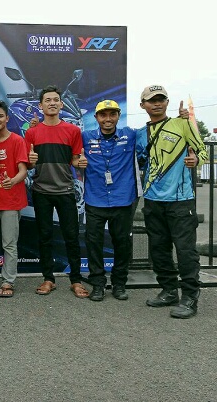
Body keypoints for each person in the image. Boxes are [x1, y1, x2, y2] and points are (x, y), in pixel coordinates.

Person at [136, 85, 208, 318]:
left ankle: (190, 297)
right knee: (159, 249)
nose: (157, 103)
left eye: (161, 99)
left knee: (185, 251)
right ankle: (168, 291)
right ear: (143, 105)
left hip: (181, 201)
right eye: (151, 100)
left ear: (167, 102)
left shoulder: (182, 124)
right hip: (152, 200)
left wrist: (196, 160)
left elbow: (203, 152)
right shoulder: (140, 134)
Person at [25, 85, 89, 299]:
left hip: (65, 190)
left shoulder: (73, 131)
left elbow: (75, 161)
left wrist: (81, 162)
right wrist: (30, 162)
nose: (52, 103)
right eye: (48, 100)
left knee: (71, 237)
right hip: (41, 191)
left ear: (61, 104)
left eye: (55, 100)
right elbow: (28, 165)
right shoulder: (32, 133)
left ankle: (76, 280)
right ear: (40, 105)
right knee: (44, 237)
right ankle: (48, 279)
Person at [79, 99, 139, 302]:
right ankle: (98, 284)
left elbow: (154, 130)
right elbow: (68, 150)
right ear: (96, 117)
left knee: (122, 243)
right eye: (103, 115)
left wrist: (184, 121)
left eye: (112, 114)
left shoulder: (130, 134)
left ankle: (119, 283)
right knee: (93, 243)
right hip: (95, 199)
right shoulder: (85, 137)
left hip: (123, 199)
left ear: (118, 116)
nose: (108, 119)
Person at [0, 99, 28, 298]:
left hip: (11, 200)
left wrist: (13, 181)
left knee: (9, 243)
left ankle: (8, 280)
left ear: (7, 118)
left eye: (0, 116)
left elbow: (23, 171)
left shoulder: (17, 140)